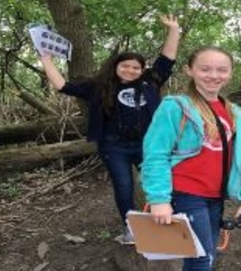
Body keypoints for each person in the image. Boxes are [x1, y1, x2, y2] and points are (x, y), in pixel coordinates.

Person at [141, 46, 241, 271]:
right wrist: (158, 199)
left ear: (230, 73)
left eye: (221, 70)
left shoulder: (235, 113)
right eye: (205, 69)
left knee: (208, 259)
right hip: (185, 193)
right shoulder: (175, 107)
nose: (214, 75)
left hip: (213, 197)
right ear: (190, 71)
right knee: (200, 261)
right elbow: (155, 153)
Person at [39, 15, 181, 244]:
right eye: (125, 65)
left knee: (159, 181)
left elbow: (168, 58)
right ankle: (131, 229)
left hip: (148, 144)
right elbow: (62, 86)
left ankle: (172, 222)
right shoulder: (99, 86)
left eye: (136, 67)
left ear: (142, 70)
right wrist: (46, 59)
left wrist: (173, 29)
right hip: (113, 146)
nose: (130, 70)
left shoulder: (150, 82)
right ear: (116, 67)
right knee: (123, 185)